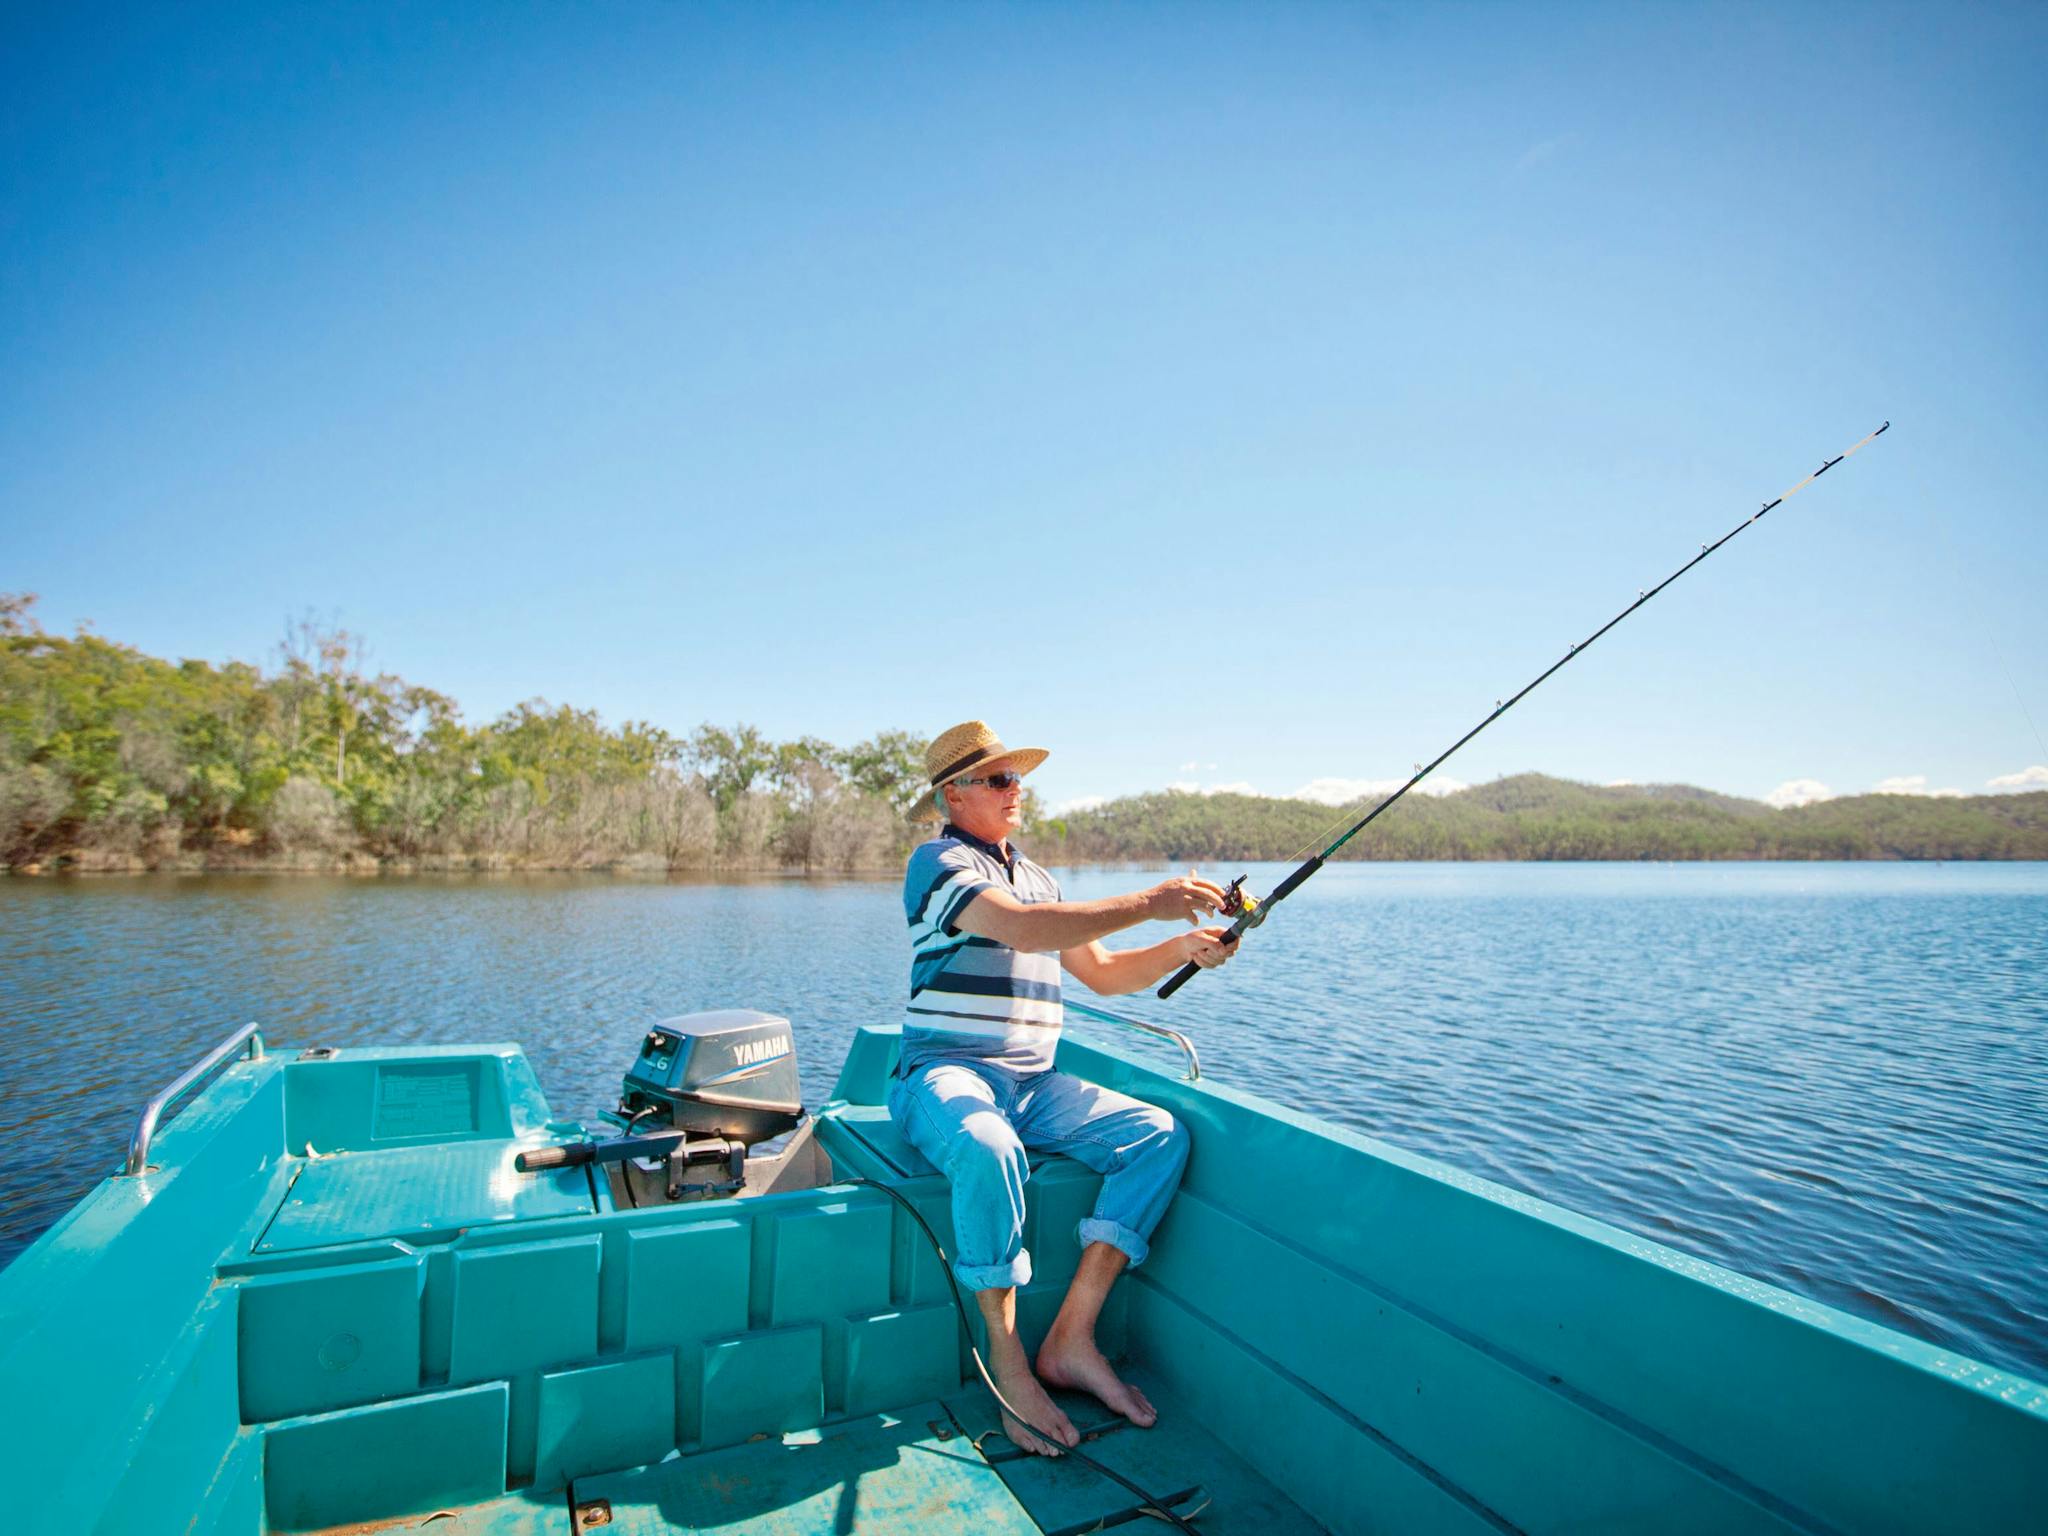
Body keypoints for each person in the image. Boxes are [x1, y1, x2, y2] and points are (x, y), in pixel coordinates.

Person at [891, 720, 1238, 1457]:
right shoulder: (937, 862)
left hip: (1032, 1083)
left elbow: (1107, 975)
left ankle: (1073, 1337)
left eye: (1017, 777)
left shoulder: (1040, 876)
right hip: (944, 1073)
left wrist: (1183, 948)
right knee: (987, 1146)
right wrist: (1152, 900)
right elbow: (1021, 929)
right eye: (997, 779)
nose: (1016, 789)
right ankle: (1009, 1360)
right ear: (953, 793)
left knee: (1157, 1137)